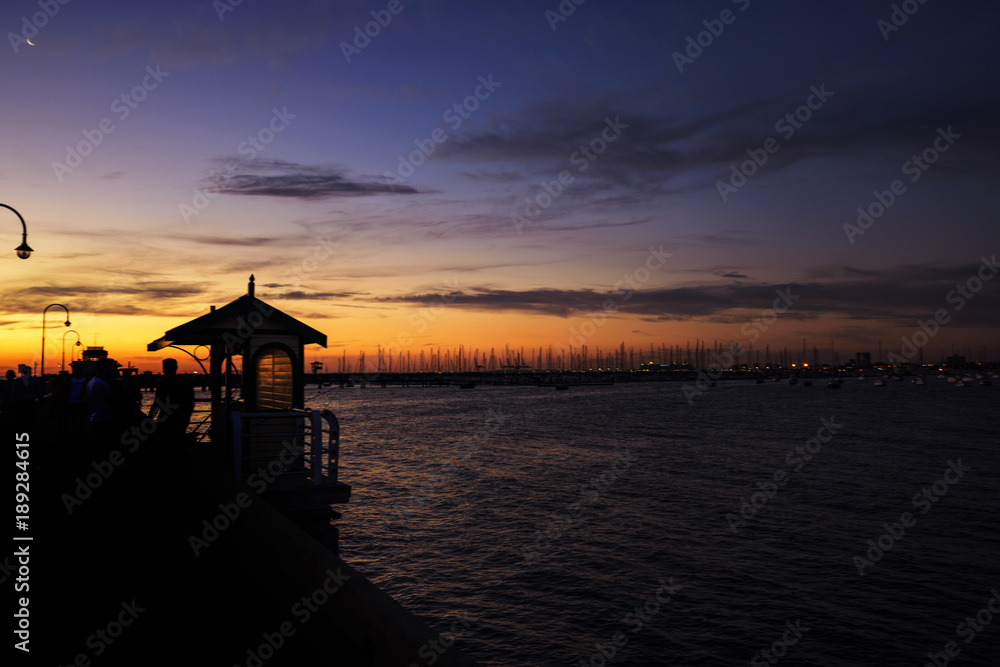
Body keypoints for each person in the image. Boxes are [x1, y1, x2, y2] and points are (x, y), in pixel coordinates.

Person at [150, 358, 194, 449]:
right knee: (178, 445)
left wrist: (150, 417)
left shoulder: (162, 383)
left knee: (166, 446)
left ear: (164, 368)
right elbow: (190, 403)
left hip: (165, 420)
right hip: (180, 418)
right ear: (176, 367)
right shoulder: (185, 383)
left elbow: (157, 403)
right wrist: (187, 417)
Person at [12, 364, 40, 434]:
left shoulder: (18, 380)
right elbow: (38, 391)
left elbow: (14, 391)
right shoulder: (34, 380)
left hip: (20, 401)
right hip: (31, 401)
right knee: (30, 418)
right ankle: (29, 432)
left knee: (20, 418)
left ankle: (19, 433)